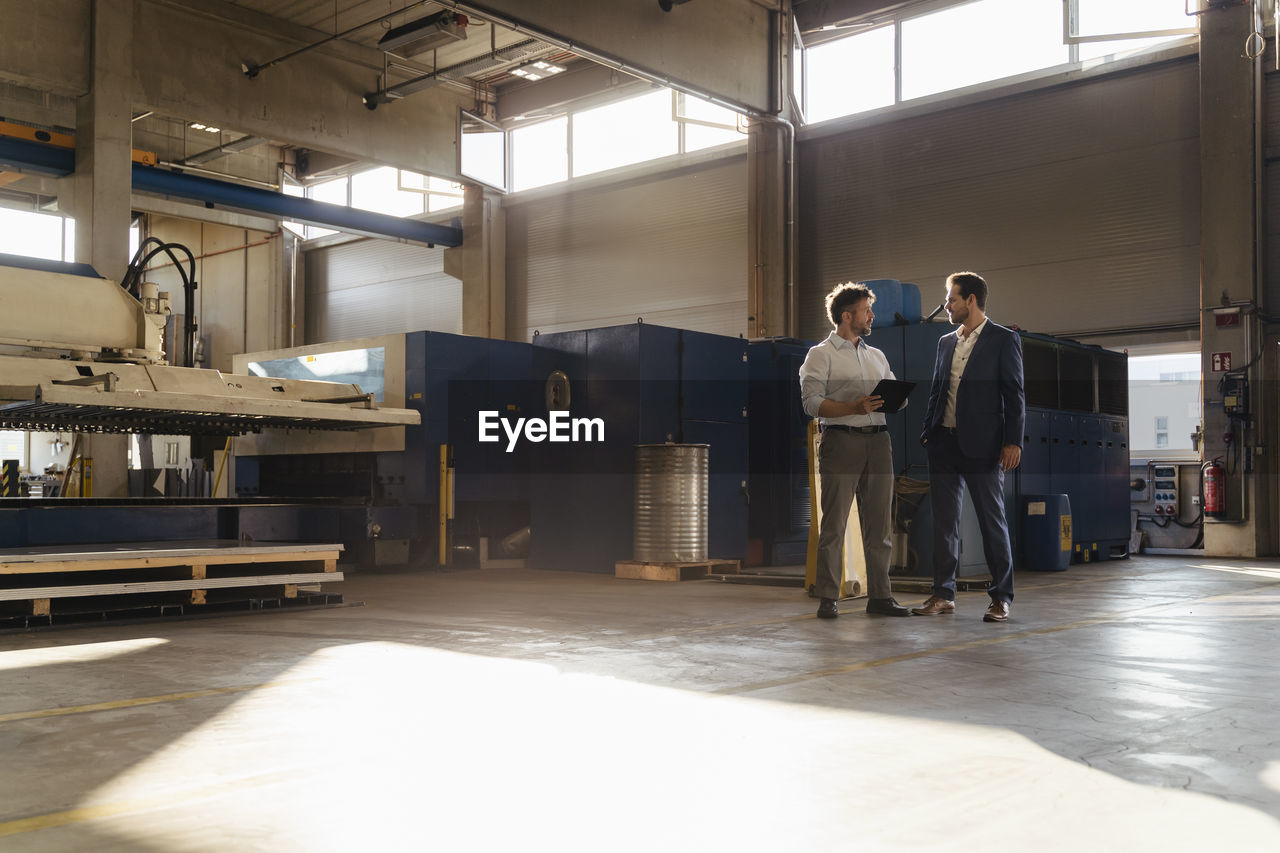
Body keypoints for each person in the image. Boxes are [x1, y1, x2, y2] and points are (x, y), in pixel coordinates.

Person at [913, 271, 1025, 622]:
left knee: (993, 522)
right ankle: (943, 594)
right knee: (944, 524)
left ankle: (1001, 597)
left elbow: (1015, 395)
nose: (946, 305)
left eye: (951, 299)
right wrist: (928, 433)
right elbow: (937, 391)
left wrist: (1012, 442)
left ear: (971, 300)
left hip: (984, 447)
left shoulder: (1003, 339)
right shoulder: (946, 342)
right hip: (943, 443)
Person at [799, 282, 911, 619]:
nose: (871, 316)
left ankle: (881, 596)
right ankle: (828, 596)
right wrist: (853, 407)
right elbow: (811, 403)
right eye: (866, 311)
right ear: (847, 316)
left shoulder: (876, 356)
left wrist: (899, 398)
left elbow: (894, 393)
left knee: (879, 525)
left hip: (879, 441)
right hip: (841, 441)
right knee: (834, 524)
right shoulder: (820, 355)